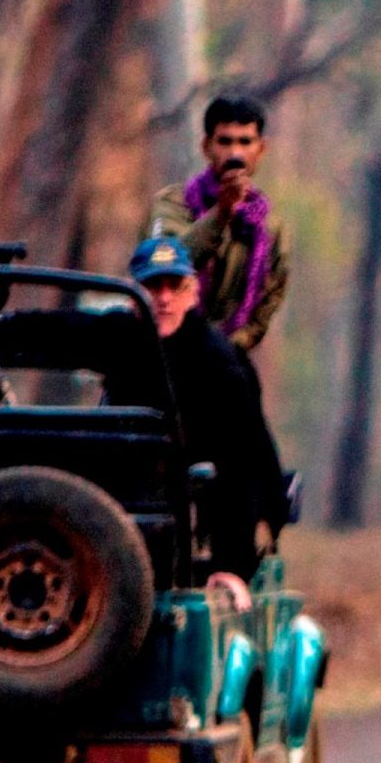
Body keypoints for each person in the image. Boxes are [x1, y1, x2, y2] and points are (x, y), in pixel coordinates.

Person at [127, 236, 288, 580]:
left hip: (210, 503)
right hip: (130, 512)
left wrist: (231, 566)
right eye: (153, 287)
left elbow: (243, 464)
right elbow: (63, 332)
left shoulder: (219, 362)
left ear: (193, 293)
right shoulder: (124, 336)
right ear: (135, 296)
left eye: (175, 286)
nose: (164, 298)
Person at [145, 94, 289, 356]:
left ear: (261, 148)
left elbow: (268, 303)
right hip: (163, 353)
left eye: (245, 142)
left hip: (225, 362)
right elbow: (165, 265)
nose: (235, 153)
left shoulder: (269, 228)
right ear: (206, 146)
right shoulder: (173, 205)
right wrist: (221, 213)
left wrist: (223, 351)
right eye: (225, 141)